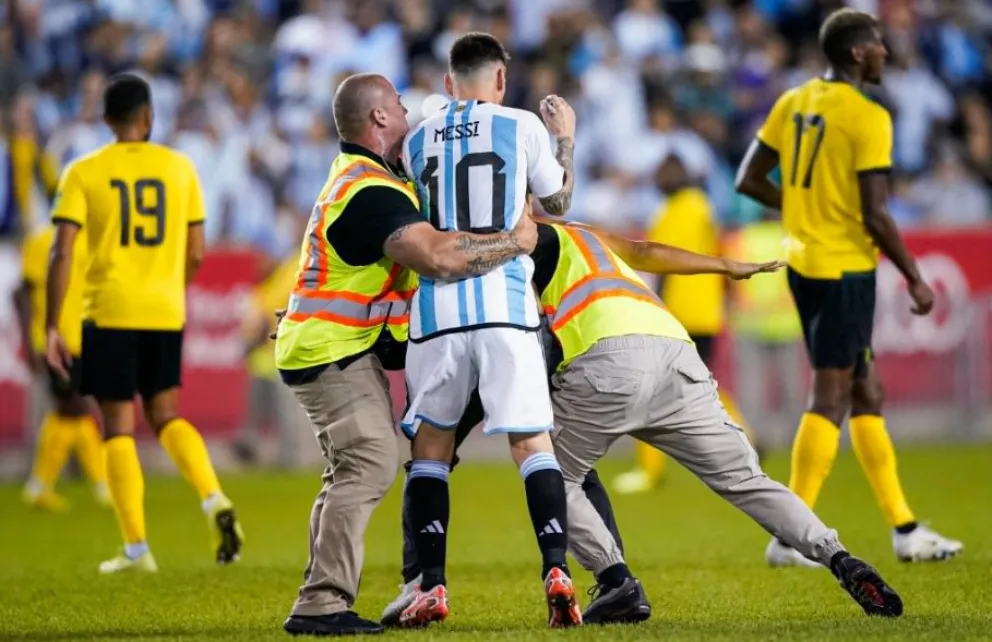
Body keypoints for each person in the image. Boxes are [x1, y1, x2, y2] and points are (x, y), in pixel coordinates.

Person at [531, 214, 904, 619]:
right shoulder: (584, 234)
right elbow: (644, 251)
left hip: (607, 359)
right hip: (675, 350)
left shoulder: (521, 237)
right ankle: (839, 557)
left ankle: (615, 579)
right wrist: (725, 266)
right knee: (747, 480)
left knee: (549, 474)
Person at [274, 72, 539, 637]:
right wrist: (515, 241)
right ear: (378, 119)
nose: (407, 110)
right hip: (332, 348)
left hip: (329, 344)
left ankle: (322, 595)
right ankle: (321, 605)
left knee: (349, 467)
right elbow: (440, 257)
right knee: (368, 460)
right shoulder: (371, 192)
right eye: (398, 103)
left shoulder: (356, 180)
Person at [735, 8, 962, 566]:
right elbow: (877, 213)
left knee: (866, 392)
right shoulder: (867, 115)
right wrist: (914, 275)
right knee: (832, 397)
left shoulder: (795, 100)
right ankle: (789, 537)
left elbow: (749, 178)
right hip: (843, 269)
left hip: (804, 263)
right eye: (879, 44)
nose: (886, 51)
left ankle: (905, 529)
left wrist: (804, 207)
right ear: (859, 52)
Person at [398, 32, 580, 628]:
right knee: (531, 444)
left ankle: (432, 585)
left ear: (449, 84)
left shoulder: (415, 138)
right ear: (499, 80)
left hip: (437, 313)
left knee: (431, 450)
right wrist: (565, 141)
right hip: (505, 305)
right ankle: (556, 568)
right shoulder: (522, 124)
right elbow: (556, 206)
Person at [45, 73, 244, 574]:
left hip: (109, 308)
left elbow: (61, 250)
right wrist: (170, 287)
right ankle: (212, 495)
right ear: (148, 117)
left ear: (107, 119)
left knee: (117, 425)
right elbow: (197, 250)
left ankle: (136, 547)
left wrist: (51, 324)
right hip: (163, 308)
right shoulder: (180, 167)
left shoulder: (83, 171)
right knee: (167, 414)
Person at [613, 152, 758, 495]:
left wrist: (653, 304)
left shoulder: (676, 211)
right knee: (700, 382)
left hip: (681, 311)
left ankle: (651, 470)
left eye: (665, 173)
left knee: (647, 387)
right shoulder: (703, 206)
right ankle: (745, 437)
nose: (659, 180)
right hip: (705, 311)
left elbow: (660, 259)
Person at [15, 223, 108, 511]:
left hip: (80, 339)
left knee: (70, 412)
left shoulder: (88, 242)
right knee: (76, 408)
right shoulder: (41, 241)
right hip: (54, 342)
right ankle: (101, 484)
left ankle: (42, 486)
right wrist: (32, 344)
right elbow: (21, 293)